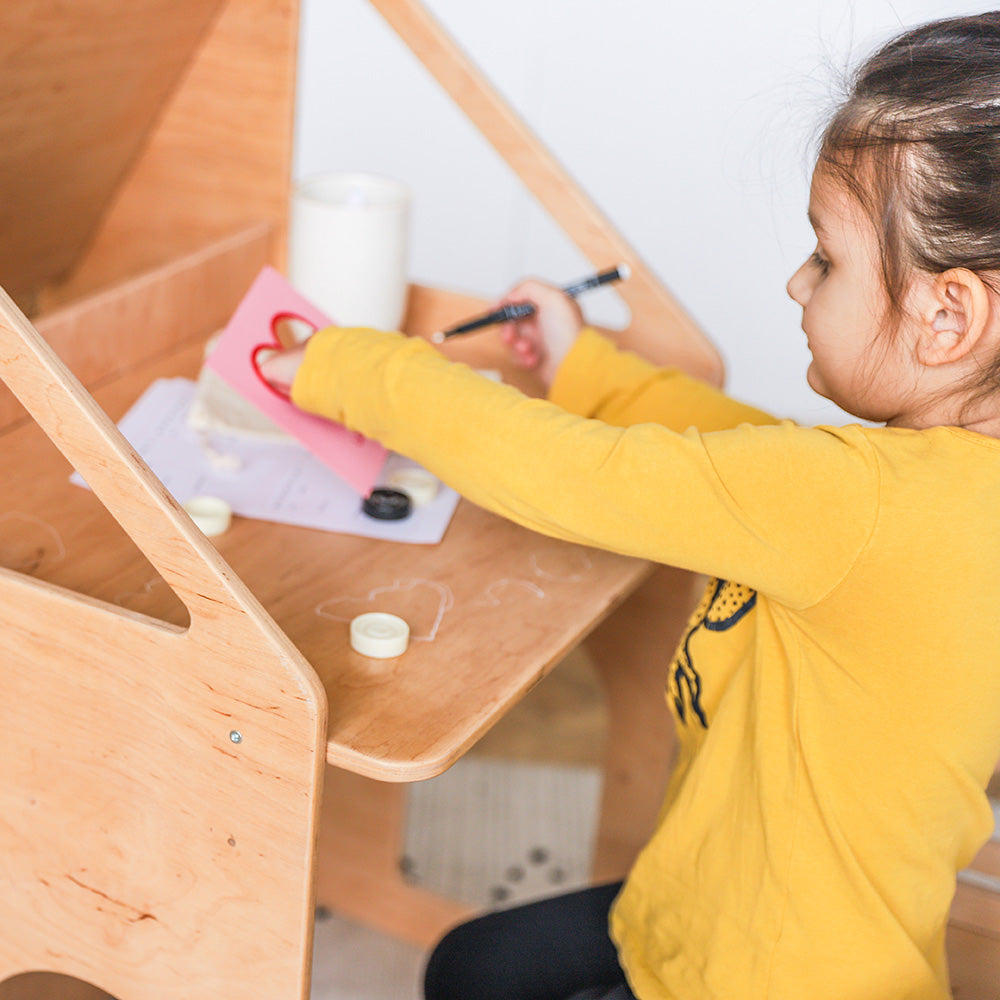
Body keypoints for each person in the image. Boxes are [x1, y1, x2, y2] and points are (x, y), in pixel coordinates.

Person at [262, 12, 1000, 999]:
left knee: (469, 977)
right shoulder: (925, 491)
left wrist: (350, 364)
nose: (795, 279)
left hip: (759, 976)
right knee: (472, 968)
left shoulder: (857, 506)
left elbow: (571, 473)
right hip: (716, 909)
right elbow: (741, 449)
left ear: (946, 315)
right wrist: (586, 366)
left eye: (824, 258)